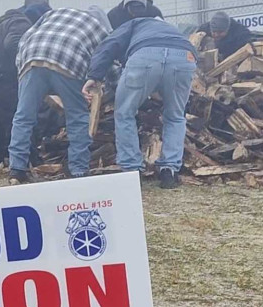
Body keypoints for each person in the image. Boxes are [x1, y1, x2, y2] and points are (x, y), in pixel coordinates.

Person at [84, 17, 197, 189]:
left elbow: (109, 45)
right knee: (175, 116)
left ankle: (132, 171)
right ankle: (170, 170)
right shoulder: (170, 29)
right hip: (185, 57)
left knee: (124, 113)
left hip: (145, 56)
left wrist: (94, 76)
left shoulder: (133, 23)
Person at [8, 7, 112, 184]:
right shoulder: (100, 29)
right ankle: (78, 169)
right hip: (68, 63)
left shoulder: (56, 13)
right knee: (78, 117)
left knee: (23, 117)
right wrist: (112, 86)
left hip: (32, 57)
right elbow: (107, 62)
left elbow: (27, 36)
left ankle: (16, 169)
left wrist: (22, 69)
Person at [0, 4, 50, 172]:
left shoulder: (7, 22)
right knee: (16, 117)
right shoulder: (21, 22)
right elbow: (13, 45)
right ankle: (30, 162)